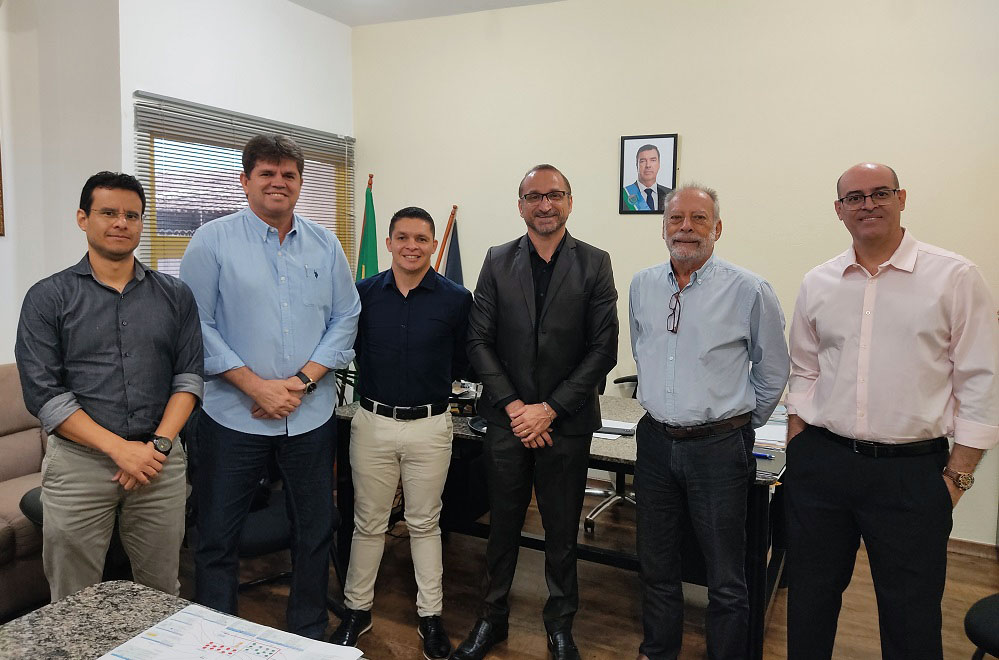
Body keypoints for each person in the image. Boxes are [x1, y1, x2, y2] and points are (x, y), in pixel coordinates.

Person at [784, 162, 999, 660]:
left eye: (880, 193)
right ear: (839, 210)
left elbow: (981, 382)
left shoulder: (955, 277)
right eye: (854, 198)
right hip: (823, 466)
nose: (868, 205)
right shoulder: (819, 281)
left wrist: (957, 478)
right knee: (809, 601)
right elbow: (804, 369)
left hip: (911, 474)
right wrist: (799, 444)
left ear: (901, 198)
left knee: (911, 617)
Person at [180, 134, 361, 639]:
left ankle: (308, 633)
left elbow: (346, 317)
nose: (278, 182)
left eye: (288, 174)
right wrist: (256, 387)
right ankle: (216, 637)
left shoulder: (326, 244)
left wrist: (299, 383)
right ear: (245, 180)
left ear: (300, 182)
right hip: (232, 416)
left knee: (314, 531)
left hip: (309, 417)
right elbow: (196, 324)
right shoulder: (211, 241)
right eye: (267, 173)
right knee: (217, 536)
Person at [454, 164, 619, 660]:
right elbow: (478, 341)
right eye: (534, 196)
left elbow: (603, 349)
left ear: (569, 201)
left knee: (562, 530)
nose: (545, 204)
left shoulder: (595, 263)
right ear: (520, 205)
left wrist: (548, 409)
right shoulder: (496, 260)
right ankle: (491, 619)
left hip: (566, 423)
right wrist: (516, 407)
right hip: (508, 421)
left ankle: (560, 623)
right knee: (502, 525)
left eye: (555, 195)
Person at [15, 171, 203, 601]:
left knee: (161, 592)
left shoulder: (176, 296)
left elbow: (189, 377)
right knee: (73, 599)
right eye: (108, 212)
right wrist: (120, 449)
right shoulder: (48, 297)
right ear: (83, 218)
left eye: (132, 215)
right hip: (79, 464)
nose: (121, 222)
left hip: (159, 462)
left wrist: (157, 447)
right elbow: (44, 393)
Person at [629, 184, 789, 660]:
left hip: (719, 448)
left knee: (725, 575)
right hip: (655, 442)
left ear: (718, 228)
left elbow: (774, 370)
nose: (686, 227)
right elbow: (641, 349)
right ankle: (659, 650)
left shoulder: (749, 290)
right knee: (656, 564)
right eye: (676, 218)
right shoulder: (643, 285)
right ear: (663, 227)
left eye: (699, 218)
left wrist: (739, 422)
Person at [329, 207, 472, 658]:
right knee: (368, 522)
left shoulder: (456, 299)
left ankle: (431, 616)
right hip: (372, 423)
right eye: (403, 238)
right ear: (389, 243)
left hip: (431, 426)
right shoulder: (363, 294)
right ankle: (357, 610)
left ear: (434, 245)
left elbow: (465, 361)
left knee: (425, 523)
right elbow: (344, 347)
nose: (412, 246)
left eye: (421, 239)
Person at [622, 144, 672, 212]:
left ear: (659, 164)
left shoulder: (670, 194)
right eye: (643, 161)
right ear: (637, 165)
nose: (648, 165)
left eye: (653, 160)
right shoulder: (624, 194)